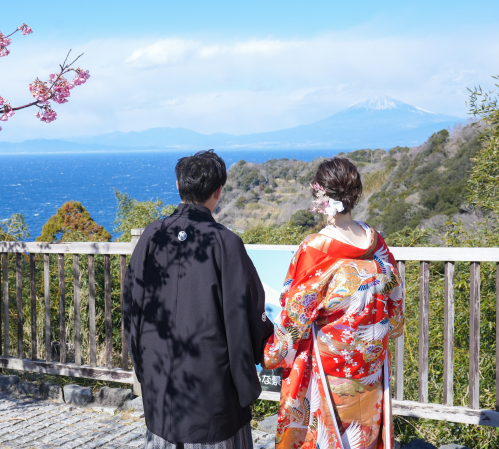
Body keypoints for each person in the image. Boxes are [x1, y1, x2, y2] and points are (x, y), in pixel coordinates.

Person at [124, 150, 275, 449]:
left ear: (178, 186)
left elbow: (132, 309)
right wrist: (265, 342)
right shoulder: (226, 242)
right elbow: (246, 312)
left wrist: (144, 369)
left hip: (161, 379)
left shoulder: (152, 236)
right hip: (212, 387)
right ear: (218, 192)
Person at [262, 157, 404, 449]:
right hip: (370, 363)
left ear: (320, 196)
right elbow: (395, 305)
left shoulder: (316, 248)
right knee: (364, 435)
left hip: (330, 368)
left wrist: (271, 352)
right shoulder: (376, 242)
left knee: (332, 439)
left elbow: (295, 313)